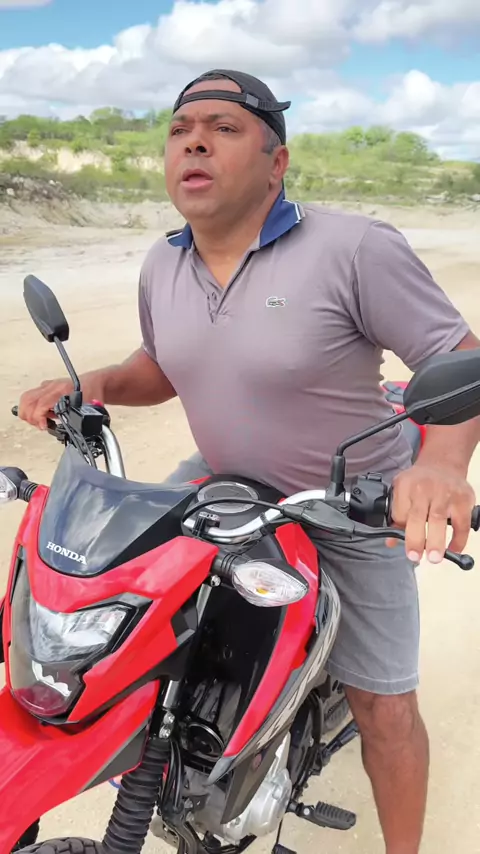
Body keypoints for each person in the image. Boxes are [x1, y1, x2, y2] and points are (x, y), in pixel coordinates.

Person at [18, 69, 479, 854]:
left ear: (276, 163)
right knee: (124, 615)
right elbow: (163, 365)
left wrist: (440, 467)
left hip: (349, 500)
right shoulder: (162, 264)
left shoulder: (354, 248)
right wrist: (93, 385)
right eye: (181, 130)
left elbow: (458, 358)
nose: (194, 141)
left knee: (384, 707)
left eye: (224, 128)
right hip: (222, 483)